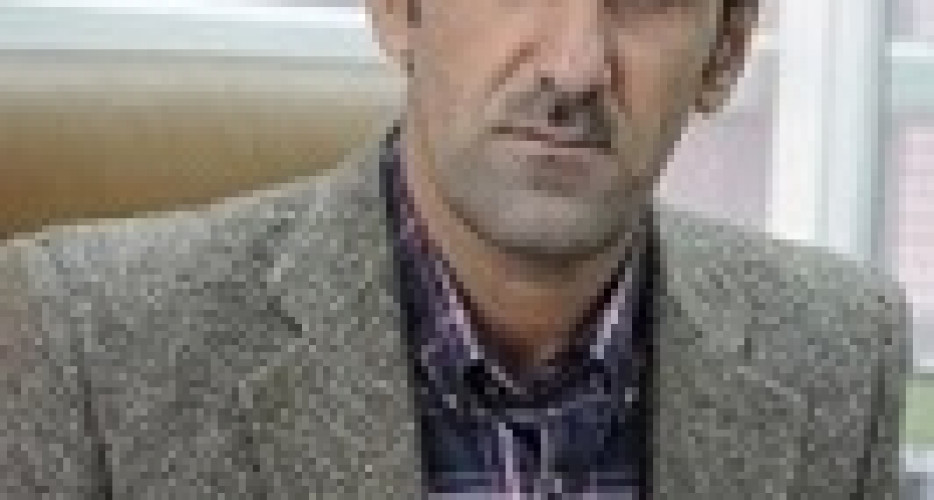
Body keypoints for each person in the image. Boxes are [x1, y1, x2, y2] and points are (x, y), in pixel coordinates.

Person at [0, 0, 911, 497]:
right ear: (399, 11)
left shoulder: (840, 357)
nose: (573, 65)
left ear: (726, 53)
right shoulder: (94, 349)